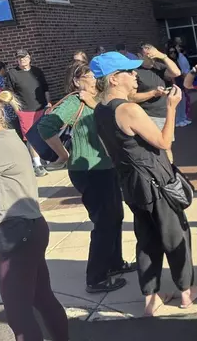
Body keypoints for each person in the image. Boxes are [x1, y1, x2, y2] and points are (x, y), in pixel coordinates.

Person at [92, 52, 197, 316]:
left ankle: (151, 297)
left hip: (131, 182)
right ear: (113, 79)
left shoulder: (100, 111)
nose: (135, 75)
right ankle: (186, 292)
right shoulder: (128, 110)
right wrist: (172, 107)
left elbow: (111, 151)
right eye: (129, 71)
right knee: (175, 233)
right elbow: (164, 142)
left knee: (147, 239)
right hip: (155, 180)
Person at [0, 88, 69, 341]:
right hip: (28, 230)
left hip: (17, 234)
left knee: (18, 314)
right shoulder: (4, 138)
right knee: (42, 298)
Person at [38, 61, 134, 293]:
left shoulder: (98, 99)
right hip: (88, 170)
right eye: (89, 76)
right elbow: (46, 127)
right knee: (104, 221)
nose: (94, 79)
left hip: (105, 167)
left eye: (94, 75)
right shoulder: (74, 102)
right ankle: (96, 278)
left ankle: (114, 262)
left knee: (115, 216)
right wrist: (63, 154)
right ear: (77, 81)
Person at [6, 49, 52, 177]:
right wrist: (17, 109)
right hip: (25, 110)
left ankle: (47, 158)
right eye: (20, 58)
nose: (22, 60)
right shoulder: (13, 73)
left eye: (24, 57)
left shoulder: (37, 71)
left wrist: (48, 103)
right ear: (17, 60)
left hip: (41, 107)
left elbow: (45, 88)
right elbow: (10, 94)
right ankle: (37, 165)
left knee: (44, 133)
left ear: (29, 57)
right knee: (30, 137)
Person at [133, 44, 181, 162]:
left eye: (152, 53)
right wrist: (152, 93)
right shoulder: (135, 72)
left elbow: (176, 73)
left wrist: (163, 56)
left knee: (167, 147)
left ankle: (170, 172)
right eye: (147, 54)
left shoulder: (159, 67)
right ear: (139, 55)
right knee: (154, 149)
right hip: (147, 115)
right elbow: (131, 97)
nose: (151, 57)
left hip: (164, 113)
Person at [167, 44, 192, 127]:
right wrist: (174, 86)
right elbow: (171, 76)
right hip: (175, 85)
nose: (173, 54)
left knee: (183, 102)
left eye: (174, 52)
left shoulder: (177, 61)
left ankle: (183, 118)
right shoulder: (169, 63)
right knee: (178, 104)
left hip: (180, 83)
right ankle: (178, 120)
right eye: (171, 52)